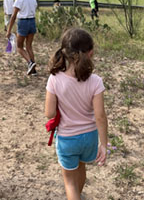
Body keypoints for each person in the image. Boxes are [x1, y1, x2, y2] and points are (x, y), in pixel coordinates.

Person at [45, 28, 108, 200]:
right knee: (81, 170)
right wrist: (104, 144)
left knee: (69, 183)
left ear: (64, 53)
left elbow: (49, 113)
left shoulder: (55, 79)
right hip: (89, 137)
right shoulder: (95, 81)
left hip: (67, 139)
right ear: (91, 53)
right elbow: (100, 116)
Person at [6, 0, 37, 75]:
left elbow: (13, 16)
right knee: (29, 46)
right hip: (32, 22)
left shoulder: (19, 0)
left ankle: (30, 62)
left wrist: (8, 30)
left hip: (23, 22)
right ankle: (33, 70)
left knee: (19, 46)